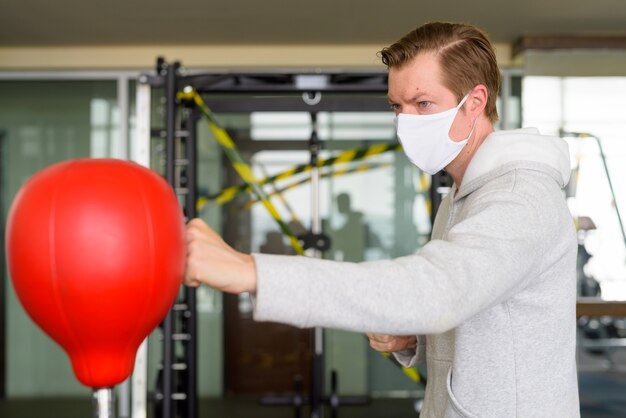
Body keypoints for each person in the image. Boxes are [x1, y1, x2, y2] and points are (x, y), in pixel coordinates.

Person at [185, 21, 580, 417]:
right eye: (397, 106)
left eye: (422, 104)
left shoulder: (518, 197)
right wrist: (415, 338)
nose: (406, 121)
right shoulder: (463, 194)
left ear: (475, 102)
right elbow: (479, 308)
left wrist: (251, 272)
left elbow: (437, 291)